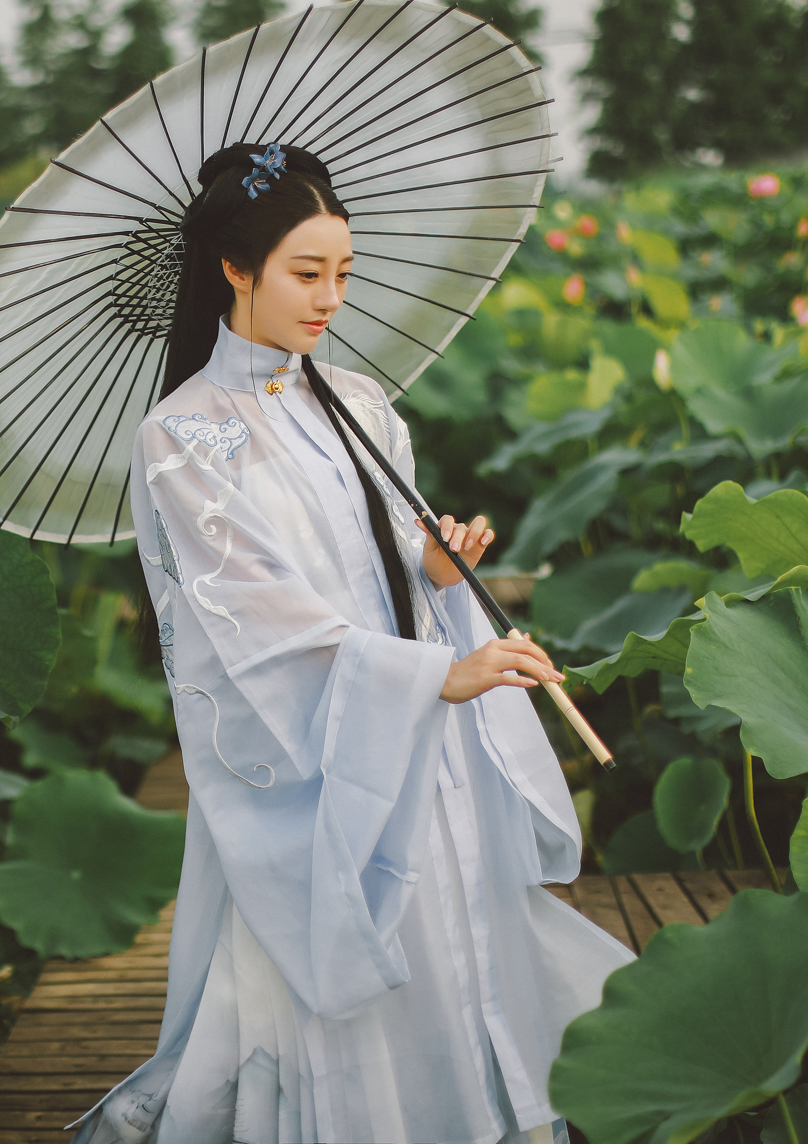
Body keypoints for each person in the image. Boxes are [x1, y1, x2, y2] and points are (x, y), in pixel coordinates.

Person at [67, 142, 632, 1144]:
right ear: (234, 270)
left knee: (454, 944)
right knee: (351, 976)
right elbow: (248, 616)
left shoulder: (361, 405)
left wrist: (440, 571)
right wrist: (436, 675)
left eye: (342, 273)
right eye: (305, 273)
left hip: (414, 723)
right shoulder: (182, 435)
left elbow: (385, 573)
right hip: (321, 749)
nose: (330, 297)